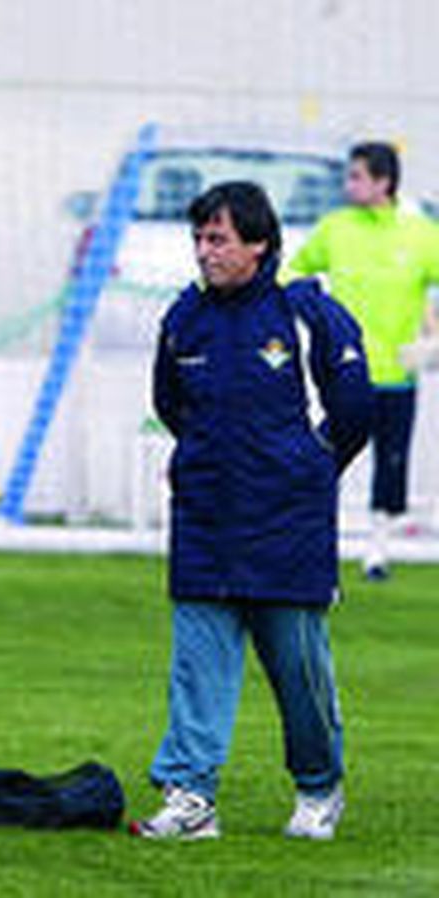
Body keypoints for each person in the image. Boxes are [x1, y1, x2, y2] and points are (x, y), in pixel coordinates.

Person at [131, 181, 371, 841]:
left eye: (219, 240)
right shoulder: (183, 317)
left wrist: (310, 467)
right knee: (197, 667)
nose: (204, 253)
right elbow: (170, 404)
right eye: (199, 240)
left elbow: (354, 402)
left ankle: (320, 786)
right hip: (205, 520)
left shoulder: (304, 311)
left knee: (298, 670)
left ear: (258, 246)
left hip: (287, 526)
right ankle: (190, 796)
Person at [285, 142, 439, 581]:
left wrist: (435, 340)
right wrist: (315, 316)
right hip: (343, 374)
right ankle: (308, 542)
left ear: (383, 182)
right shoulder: (335, 228)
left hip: (397, 376)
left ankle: (377, 551)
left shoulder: (422, 234)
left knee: (391, 463)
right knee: (323, 457)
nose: (348, 184)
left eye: (356, 176)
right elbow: (292, 273)